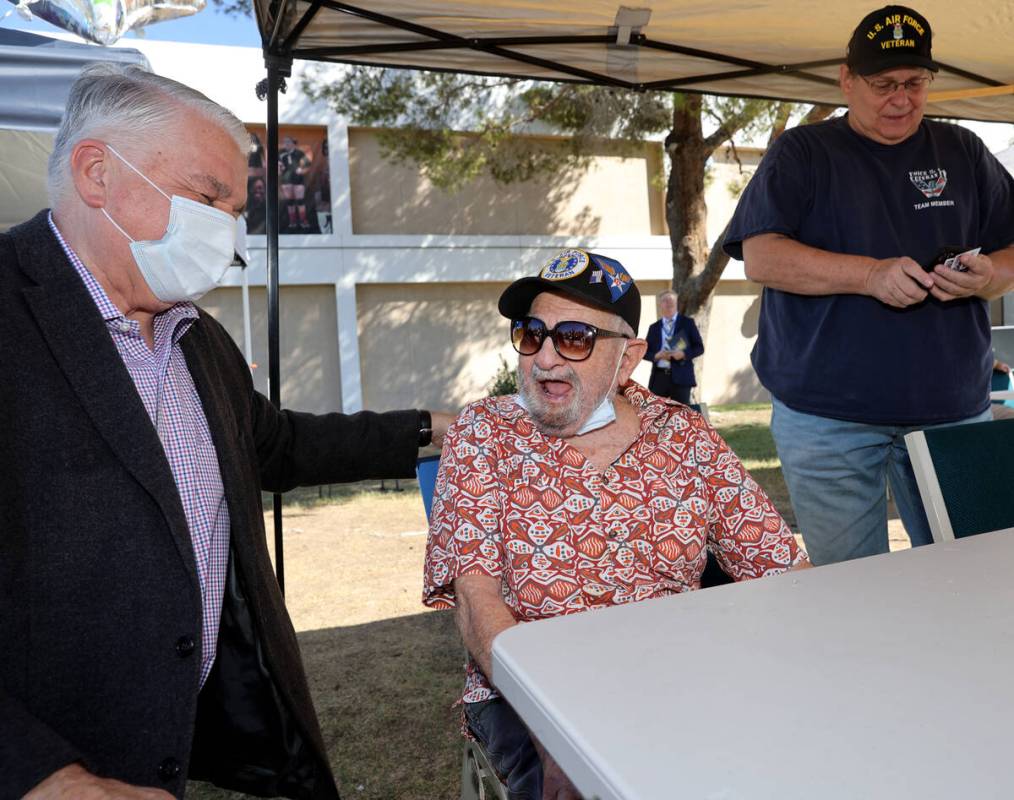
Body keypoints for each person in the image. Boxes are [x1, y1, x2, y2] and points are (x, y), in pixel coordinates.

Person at [1, 64, 452, 800]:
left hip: (202, 745)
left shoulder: (196, 335)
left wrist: (435, 427)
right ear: (95, 174)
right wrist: (40, 775)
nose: (228, 231)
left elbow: (279, 444)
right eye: (208, 197)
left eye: (235, 209)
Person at [423, 249, 809, 799]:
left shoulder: (685, 437)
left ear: (627, 359)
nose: (546, 359)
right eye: (532, 334)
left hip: (687, 675)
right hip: (529, 692)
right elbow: (475, 598)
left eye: (575, 337)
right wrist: (554, 733)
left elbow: (784, 570)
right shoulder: (485, 435)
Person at [724, 4, 1014, 566]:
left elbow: (1010, 251)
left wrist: (991, 276)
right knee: (850, 593)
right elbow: (760, 257)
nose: (901, 99)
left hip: (953, 410)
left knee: (970, 581)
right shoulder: (803, 153)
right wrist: (868, 275)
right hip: (827, 417)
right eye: (883, 84)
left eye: (915, 83)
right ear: (846, 80)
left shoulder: (963, 151)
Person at [643, 289, 704, 404]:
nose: (669, 302)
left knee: (681, 415)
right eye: (665, 300)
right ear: (660, 304)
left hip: (681, 377)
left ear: (677, 303)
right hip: (659, 378)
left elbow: (699, 347)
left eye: (672, 300)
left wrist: (683, 354)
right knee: (657, 414)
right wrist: (656, 355)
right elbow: (645, 352)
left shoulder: (687, 323)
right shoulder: (654, 327)